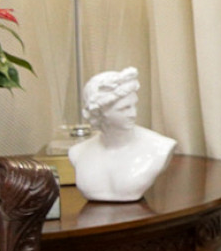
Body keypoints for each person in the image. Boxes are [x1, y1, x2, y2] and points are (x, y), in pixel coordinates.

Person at [69, 67, 176, 202]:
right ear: (99, 113)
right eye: (124, 108)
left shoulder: (160, 147)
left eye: (134, 105)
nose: (133, 114)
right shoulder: (78, 152)